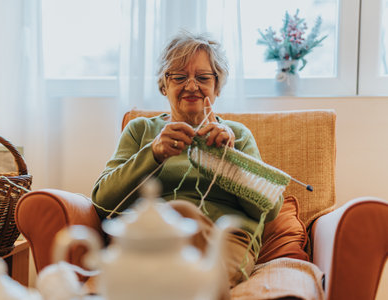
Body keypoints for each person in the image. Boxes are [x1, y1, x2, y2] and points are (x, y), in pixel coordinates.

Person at [91, 32, 283, 299]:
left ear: (217, 87)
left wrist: (232, 160)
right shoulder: (141, 130)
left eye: (203, 78)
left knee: (180, 224)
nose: (191, 86)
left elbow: (270, 210)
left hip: (223, 239)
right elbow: (102, 203)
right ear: (164, 85)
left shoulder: (237, 135)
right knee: (176, 221)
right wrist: (153, 154)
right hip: (155, 239)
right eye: (179, 77)